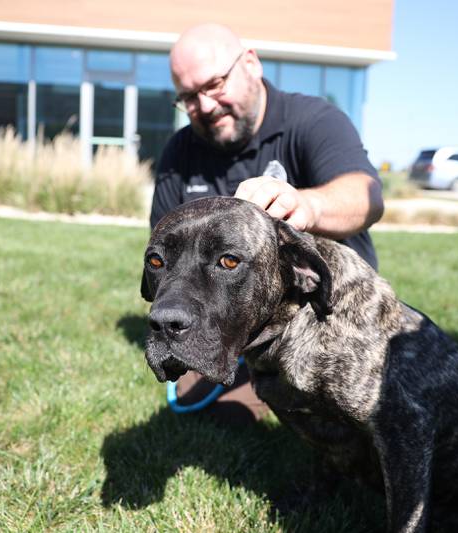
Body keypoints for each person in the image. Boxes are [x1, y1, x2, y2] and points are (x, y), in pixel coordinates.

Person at [150, 23, 384, 424]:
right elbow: (165, 258)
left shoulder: (312, 120)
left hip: (322, 313)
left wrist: (307, 205)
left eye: (215, 84)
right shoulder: (180, 151)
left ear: (251, 64)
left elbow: (367, 197)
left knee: (273, 408)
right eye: (188, 97)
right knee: (211, 414)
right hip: (230, 321)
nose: (204, 106)